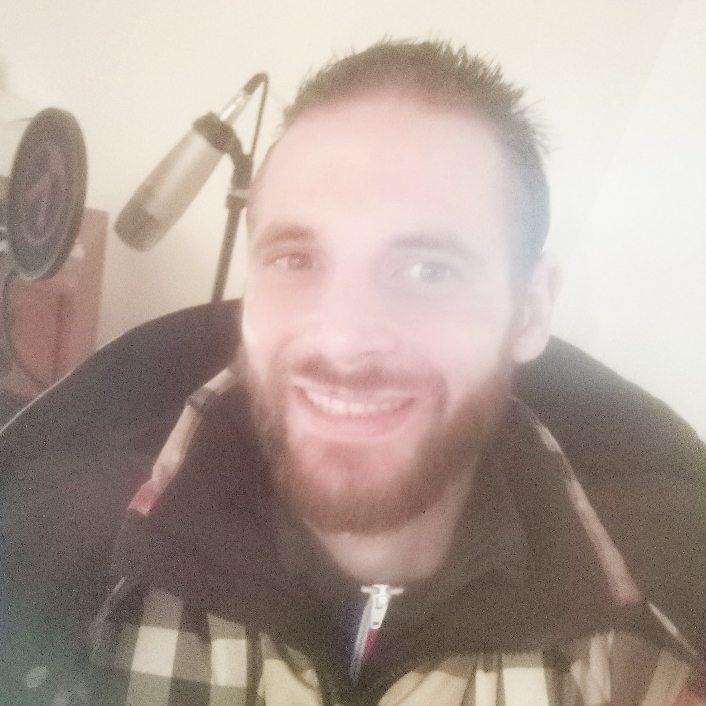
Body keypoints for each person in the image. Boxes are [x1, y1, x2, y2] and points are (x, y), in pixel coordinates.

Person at [2, 40, 705, 705]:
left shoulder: (658, 641)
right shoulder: (44, 557)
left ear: (529, 309)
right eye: (297, 259)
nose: (343, 339)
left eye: (429, 270)